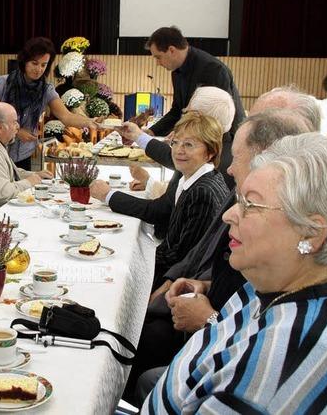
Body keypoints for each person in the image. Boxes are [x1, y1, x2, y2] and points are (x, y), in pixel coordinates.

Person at [125, 109, 313, 407]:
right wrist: (205, 286)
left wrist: (207, 318)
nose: (229, 214)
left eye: (252, 205)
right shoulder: (264, 281)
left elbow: (240, 358)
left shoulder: (295, 336)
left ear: (311, 233)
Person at [95, 111, 229, 286]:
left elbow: (181, 258)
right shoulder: (194, 177)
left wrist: (129, 264)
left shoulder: (202, 192)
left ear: (210, 152)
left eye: (189, 145)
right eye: (175, 143)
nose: (179, 150)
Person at [0, 37, 97, 170]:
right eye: (34, 63)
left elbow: (66, 116)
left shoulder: (46, 89)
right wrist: (17, 131)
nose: (39, 69)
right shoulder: (2, 83)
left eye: (44, 65)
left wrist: (90, 122)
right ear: (24, 61)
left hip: (24, 156)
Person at [120, 86, 237, 189]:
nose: (183, 119)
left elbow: (169, 207)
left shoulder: (208, 165)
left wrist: (109, 195)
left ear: (200, 119)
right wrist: (151, 183)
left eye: (187, 114)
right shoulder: (228, 149)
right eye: (175, 143)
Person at [146, 26, 245, 139]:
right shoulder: (176, 71)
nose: (157, 63)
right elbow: (177, 111)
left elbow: (217, 119)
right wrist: (151, 132)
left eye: (158, 57)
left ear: (171, 50)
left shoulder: (213, 69)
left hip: (224, 141)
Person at [0, 102, 52, 213]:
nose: (18, 127)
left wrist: (34, 175)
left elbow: (7, 172)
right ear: (0, 127)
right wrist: (29, 182)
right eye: (14, 122)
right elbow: (2, 195)